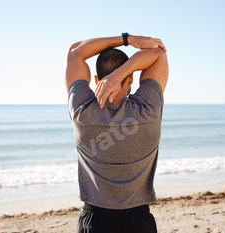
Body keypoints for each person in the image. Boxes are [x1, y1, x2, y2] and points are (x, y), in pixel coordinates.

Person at [66, 33, 168, 233]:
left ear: (96, 80)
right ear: (130, 77)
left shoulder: (82, 111)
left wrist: (126, 39)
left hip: (95, 221)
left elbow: (74, 53)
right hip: (138, 222)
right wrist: (119, 74)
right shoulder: (148, 110)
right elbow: (158, 54)